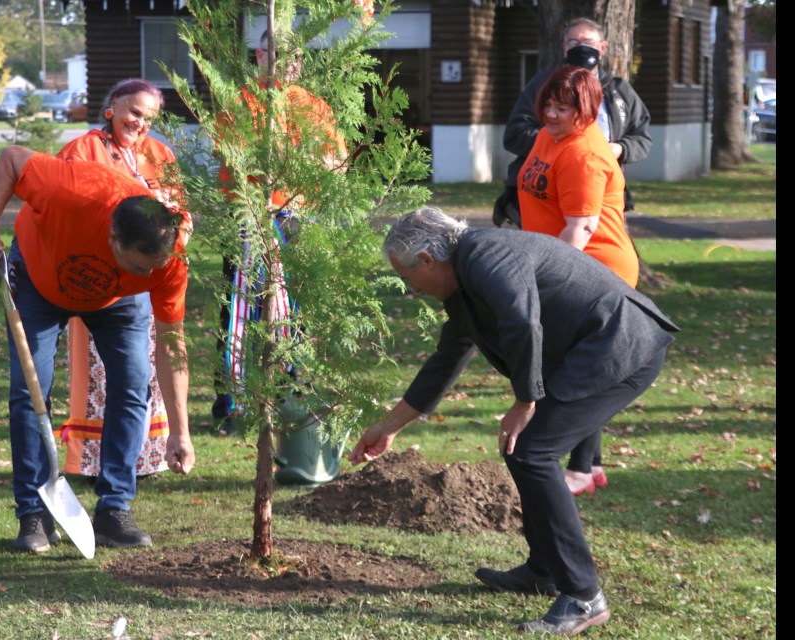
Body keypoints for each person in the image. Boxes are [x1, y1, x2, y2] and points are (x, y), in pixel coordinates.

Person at [349, 208, 678, 636]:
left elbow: (522, 320)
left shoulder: (488, 254)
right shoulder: (464, 281)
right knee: (526, 451)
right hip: (595, 348)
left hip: (622, 345)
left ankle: (583, 595)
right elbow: (447, 358)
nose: (412, 290)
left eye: (409, 279)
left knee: (531, 450)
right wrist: (389, 426)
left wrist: (526, 399)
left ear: (428, 260)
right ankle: (544, 571)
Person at [0, 145, 196, 553]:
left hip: (118, 307)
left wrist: (180, 429)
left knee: (132, 386)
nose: (146, 276)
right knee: (28, 391)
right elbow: (11, 159)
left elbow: (171, 344)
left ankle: (114, 509)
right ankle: (33, 514)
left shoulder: (168, 262)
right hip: (38, 280)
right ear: (111, 236)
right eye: (138, 267)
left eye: (152, 269)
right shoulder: (70, 190)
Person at [55, 79, 192, 480]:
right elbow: (70, 209)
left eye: (149, 118)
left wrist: (176, 237)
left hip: (153, 275)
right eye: (134, 112)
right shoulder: (84, 150)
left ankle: (145, 457)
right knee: (100, 372)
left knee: (146, 371)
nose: (140, 123)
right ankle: (95, 461)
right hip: (101, 279)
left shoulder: (159, 153)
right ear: (112, 108)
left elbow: (180, 208)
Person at [212, 31, 347, 433]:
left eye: (296, 56)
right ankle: (232, 402)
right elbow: (238, 156)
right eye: (279, 55)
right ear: (260, 55)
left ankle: (293, 392)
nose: (289, 63)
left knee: (297, 308)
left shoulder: (314, 106)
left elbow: (336, 160)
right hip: (252, 216)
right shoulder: (242, 102)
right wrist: (300, 157)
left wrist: (319, 162)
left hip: (301, 217)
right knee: (241, 308)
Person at [519, 65, 641, 494]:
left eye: (563, 108)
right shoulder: (549, 136)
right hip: (563, 262)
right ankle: (590, 465)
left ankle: (582, 468)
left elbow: (580, 229)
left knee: (577, 374)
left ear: (587, 110)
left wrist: (545, 281)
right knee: (572, 369)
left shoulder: (583, 153)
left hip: (594, 270)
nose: (551, 114)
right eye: (547, 105)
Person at [496, 17, 652, 227]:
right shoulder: (545, 86)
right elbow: (515, 134)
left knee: (598, 243)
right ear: (564, 48)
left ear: (603, 47)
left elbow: (641, 137)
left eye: (588, 43)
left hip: (602, 190)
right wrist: (563, 148)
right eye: (574, 43)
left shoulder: (619, 90)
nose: (581, 48)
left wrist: (619, 149)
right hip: (547, 192)